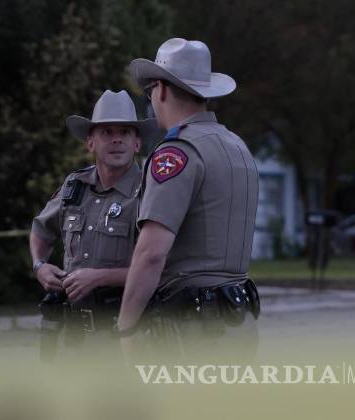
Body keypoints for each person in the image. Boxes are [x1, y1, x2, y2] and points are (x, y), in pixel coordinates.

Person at [116, 38, 260, 362]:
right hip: (238, 325)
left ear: (162, 90)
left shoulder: (176, 153)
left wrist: (126, 327)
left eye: (150, 90)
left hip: (192, 332)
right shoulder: (237, 146)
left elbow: (151, 253)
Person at [30, 90, 157, 361]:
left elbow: (162, 268)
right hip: (72, 338)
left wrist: (99, 277)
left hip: (127, 336)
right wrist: (40, 266)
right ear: (90, 142)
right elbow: (40, 230)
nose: (116, 139)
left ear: (137, 143)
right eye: (106, 132)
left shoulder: (151, 192)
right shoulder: (74, 186)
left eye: (125, 132)